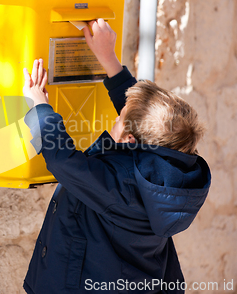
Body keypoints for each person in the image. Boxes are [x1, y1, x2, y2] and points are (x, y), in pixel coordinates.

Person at [21, 18, 211, 294]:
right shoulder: (172, 166)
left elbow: (63, 160)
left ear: (130, 139)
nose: (118, 114)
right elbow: (142, 117)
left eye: (120, 117)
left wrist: (39, 104)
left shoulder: (120, 185)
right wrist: (108, 59)